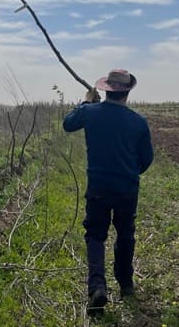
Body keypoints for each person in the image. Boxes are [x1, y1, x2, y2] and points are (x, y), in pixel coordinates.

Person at [63, 69, 153, 314]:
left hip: (98, 187)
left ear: (105, 90)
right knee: (125, 234)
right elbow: (146, 159)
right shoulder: (138, 122)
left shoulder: (89, 112)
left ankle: (97, 288)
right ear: (127, 93)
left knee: (95, 235)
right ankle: (126, 285)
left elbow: (68, 124)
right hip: (127, 188)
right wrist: (129, 171)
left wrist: (85, 101)